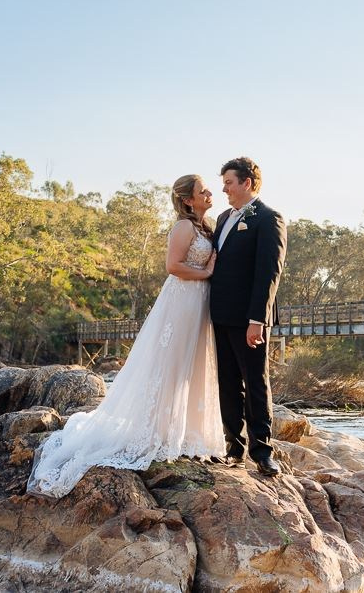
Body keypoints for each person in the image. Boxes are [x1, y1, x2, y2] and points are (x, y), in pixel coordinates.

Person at [27, 175, 226, 498]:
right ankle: (158, 432)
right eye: (202, 190)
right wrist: (207, 273)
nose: (208, 192)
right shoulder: (183, 228)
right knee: (171, 365)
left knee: (196, 367)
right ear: (188, 200)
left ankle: (190, 433)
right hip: (182, 301)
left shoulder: (209, 226)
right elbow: (173, 266)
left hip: (201, 303)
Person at [210, 157, 287, 477]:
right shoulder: (223, 218)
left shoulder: (269, 219)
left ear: (247, 183)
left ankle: (262, 450)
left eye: (229, 182)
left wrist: (258, 319)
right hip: (221, 314)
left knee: (255, 382)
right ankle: (233, 448)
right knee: (227, 383)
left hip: (249, 317)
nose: (224, 189)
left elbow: (269, 272)